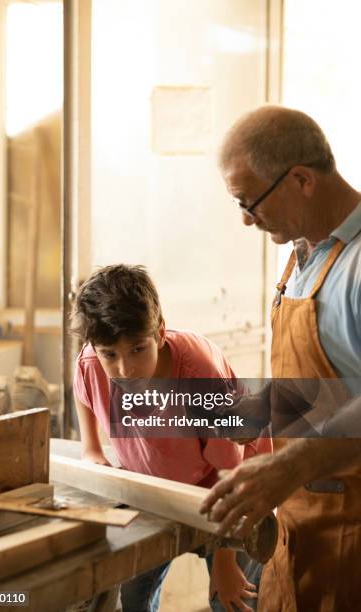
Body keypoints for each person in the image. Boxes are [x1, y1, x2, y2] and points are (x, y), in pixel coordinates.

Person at [200, 105, 361, 611]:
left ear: (300, 180)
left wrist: (292, 462)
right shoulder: (303, 253)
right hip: (298, 528)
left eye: (249, 201)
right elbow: (334, 382)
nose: (246, 219)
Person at [71, 264, 272, 612]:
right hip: (155, 490)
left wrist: (224, 559)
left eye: (138, 349)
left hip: (232, 488)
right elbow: (84, 387)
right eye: (110, 355)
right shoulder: (92, 361)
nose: (124, 369)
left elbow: (230, 472)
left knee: (232, 598)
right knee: (134, 595)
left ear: (160, 334)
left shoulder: (198, 373)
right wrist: (91, 448)